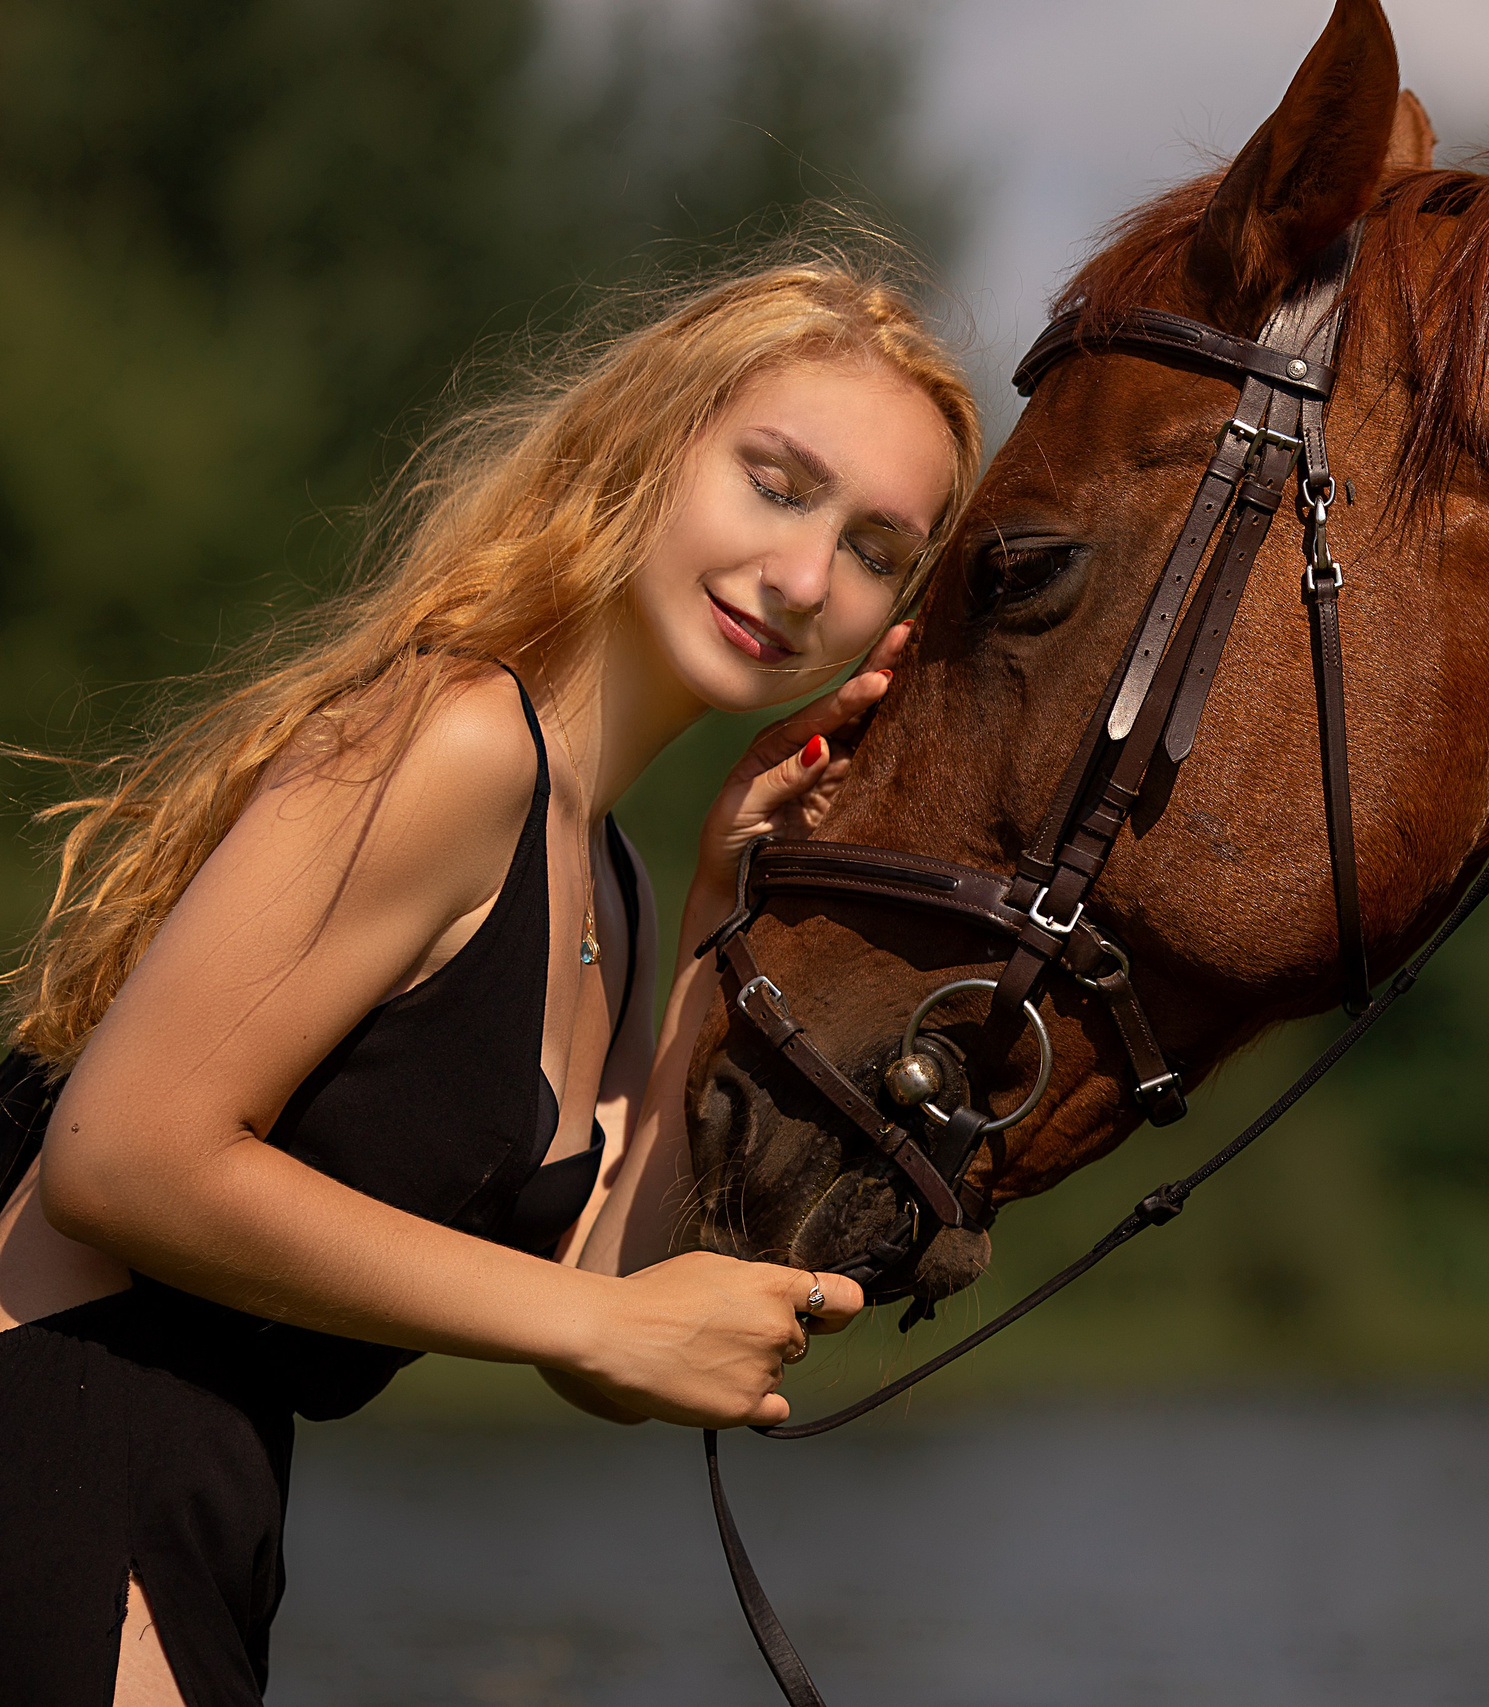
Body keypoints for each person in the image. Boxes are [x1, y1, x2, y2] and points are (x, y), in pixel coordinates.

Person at [0, 247, 981, 1705]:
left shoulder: (614, 881)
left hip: (210, 1482)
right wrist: (603, 1323)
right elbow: (117, 1160)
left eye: (876, 552)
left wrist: (721, 907)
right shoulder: (453, 741)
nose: (801, 578)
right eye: (776, 485)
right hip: (56, 1419)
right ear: (646, 447)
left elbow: (606, 1313)